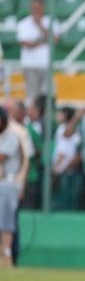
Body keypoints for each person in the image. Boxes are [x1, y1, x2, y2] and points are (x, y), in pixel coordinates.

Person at [0, 107, 30, 268]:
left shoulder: (12, 136)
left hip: (9, 184)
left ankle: (8, 255)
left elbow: (2, 156)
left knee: (7, 222)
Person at [16, 0, 55, 104]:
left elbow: (54, 40)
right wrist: (42, 40)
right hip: (30, 66)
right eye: (34, 7)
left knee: (47, 97)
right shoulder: (23, 24)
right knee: (32, 97)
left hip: (46, 66)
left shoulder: (49, 21)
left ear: (43, 7)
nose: (36, 10)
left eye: (38, 7)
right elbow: (25, 43)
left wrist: (40, 26)